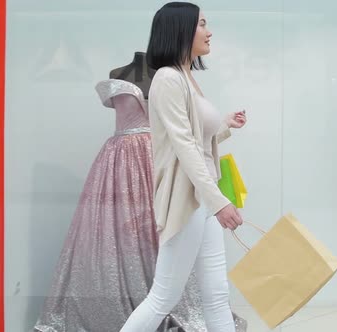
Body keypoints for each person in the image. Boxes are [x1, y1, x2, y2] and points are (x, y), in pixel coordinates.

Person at [120, 2, 248, 332]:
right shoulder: (167, 79)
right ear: (180, 30)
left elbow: (198, 141)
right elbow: (184, 146)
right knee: (164, 296)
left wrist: (225, 124)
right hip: (189, 199)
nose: (209, 31)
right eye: (201, 24)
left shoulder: (186, 78)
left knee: (217, 294)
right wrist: (219, 202)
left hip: (204, 199)